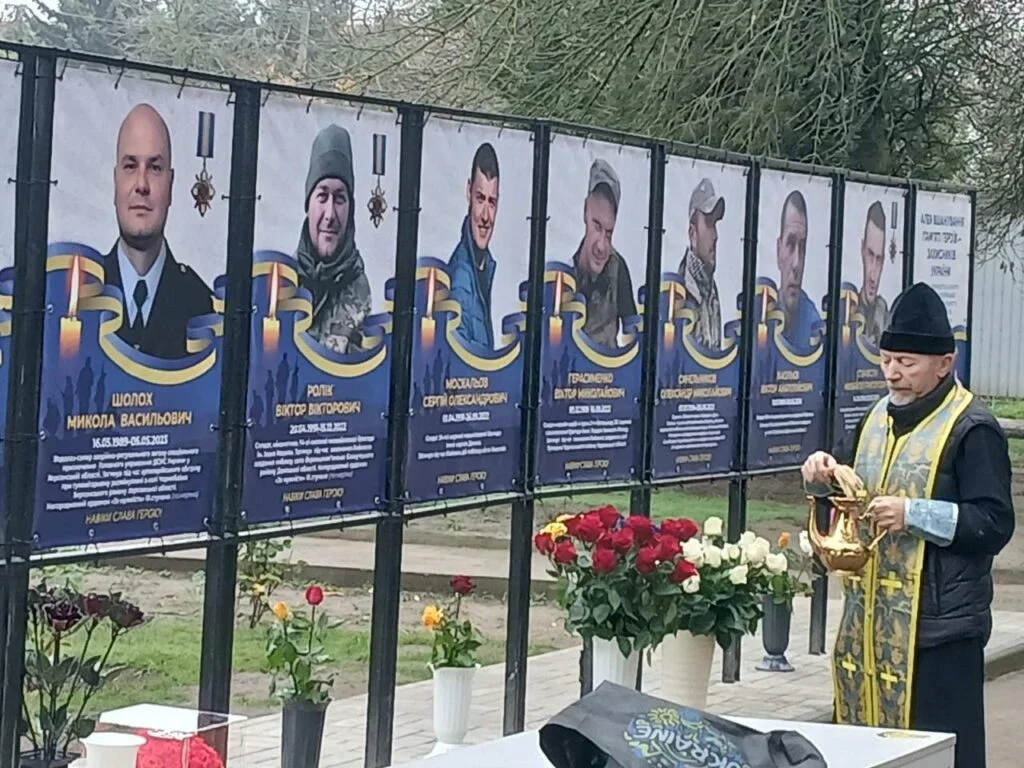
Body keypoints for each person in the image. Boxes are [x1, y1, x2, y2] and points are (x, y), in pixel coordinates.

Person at [801, 282, 1014, 768]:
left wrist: (913, 514)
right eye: (886, 360)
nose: (892, 373)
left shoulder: (972, 428)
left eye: (907, 362)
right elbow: (849, 495)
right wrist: (821, 478)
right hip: (869, 624)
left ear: (945, 363)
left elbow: (995, 522)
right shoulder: (875, 417)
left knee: (938, 755)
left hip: (940, 632)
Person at [105, 103, 213, 360]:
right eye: (130, 166)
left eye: (154, 168)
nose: (141, 184)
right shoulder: (82, 297)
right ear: (116, 181)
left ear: (171, 185)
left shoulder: (202, 307)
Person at [295, 123, 371, 355]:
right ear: (308, 205)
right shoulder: (283, 285)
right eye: (322, 196)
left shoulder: (359, 290)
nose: (330, 215)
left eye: (339, 199)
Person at [571, 158, 637, 349]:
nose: (601, 245)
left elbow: (633, 329)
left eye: (609, 232)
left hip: (608, 366)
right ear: (585, 211)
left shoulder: (618, 268)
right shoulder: (565, 271)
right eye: (597, 226)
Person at [447, 142, 499, 349]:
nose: (486, 216)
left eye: (492, 202)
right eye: (480, 199)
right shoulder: (461, 277)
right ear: (469, 192)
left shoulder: (484, 265)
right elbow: (461, 358)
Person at [678, 177, 724, 350]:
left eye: (716, 224)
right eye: (709, 224)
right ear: (692, 233)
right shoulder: (679, 290)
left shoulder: (712, 289)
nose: (716, 236)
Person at [775, 190, 820, 350]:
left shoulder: (813, 323)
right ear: (778, 251)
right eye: (790, 244)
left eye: (802, 247)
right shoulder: (760, 314)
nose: (796, 263)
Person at [857, 201, 890, 347]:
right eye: (870, 256)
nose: (873, 276)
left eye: (879, 259)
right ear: (862, 251)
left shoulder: (885, 316)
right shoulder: (848, 311)